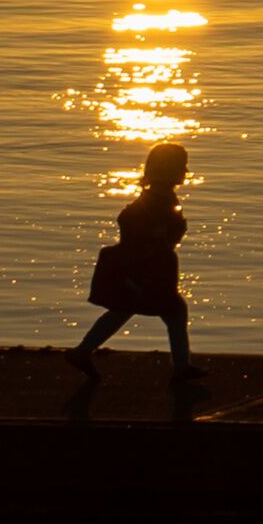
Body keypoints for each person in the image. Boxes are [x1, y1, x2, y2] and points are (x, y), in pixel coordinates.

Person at [72, 139, 202, 379]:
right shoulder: (158, 202)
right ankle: (181, 368)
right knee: (166, 311)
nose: (186, 172)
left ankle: (83, 350)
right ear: (169, 169)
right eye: (182, 166)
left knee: (127, 310)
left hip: (149, 271)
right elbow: (141, 235)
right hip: (146, 272)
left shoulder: (160, 198)